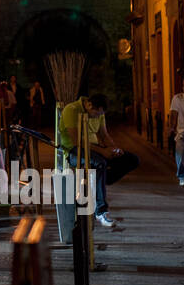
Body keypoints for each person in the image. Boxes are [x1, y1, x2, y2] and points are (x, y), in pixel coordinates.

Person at [58, 93, 139, 228]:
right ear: (89, 105)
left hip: (95, 148)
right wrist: (103, 152)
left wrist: (114, 149)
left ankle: (100, 181)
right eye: (96, 113)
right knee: (100, 163)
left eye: (100, 114)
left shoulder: (99, 113)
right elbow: (76, 141)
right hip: (74, 150)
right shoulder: (71, 110)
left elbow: (103, 134)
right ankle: (101, 212)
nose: (97, 116)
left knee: (132, 160)